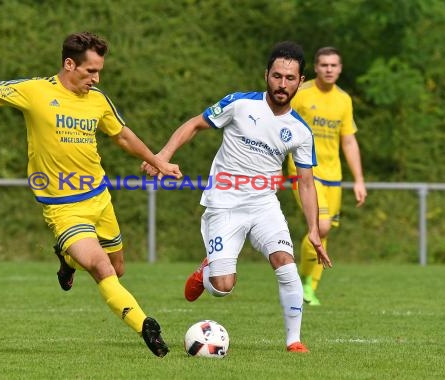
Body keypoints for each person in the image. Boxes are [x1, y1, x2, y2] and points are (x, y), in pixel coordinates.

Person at [0, 31, 180, 358]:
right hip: (64, 208)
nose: (96, 78)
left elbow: (122, 137)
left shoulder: (98, 100)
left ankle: (66, 259)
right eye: (90, 71)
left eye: (99, 71)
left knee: (118, 270)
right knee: (102, 268)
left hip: (100, 199)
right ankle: (145, 326)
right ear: (68, 64)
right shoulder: (35, 91)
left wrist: (157, 161)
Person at [142, 41, 332, 353]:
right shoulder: (240, 104)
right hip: (224, 203)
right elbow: (194, 124)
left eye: (289, 78)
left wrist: (313, 228)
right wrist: (162, 156)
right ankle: (208, 271)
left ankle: (293, 340)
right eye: (276, 76)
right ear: (266, 75)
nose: (282, 84)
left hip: (263, 205)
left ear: (300, 81)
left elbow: (306, 183)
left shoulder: (300, 131)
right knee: (222, 287)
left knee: (285, 262)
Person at [287, 46, 366, 306]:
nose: (329, 69)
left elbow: (349, 142)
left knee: (325, 231)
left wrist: (359, 180)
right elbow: (280, 125)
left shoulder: (343, 100)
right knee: (319, 226)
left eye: (334, 65)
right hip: (304, 170)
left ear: (340, 69)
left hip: (334, 176)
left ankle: (307, 285)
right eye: (324, 65)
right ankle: (301, 282)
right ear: (316, 67)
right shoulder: (301, 93)